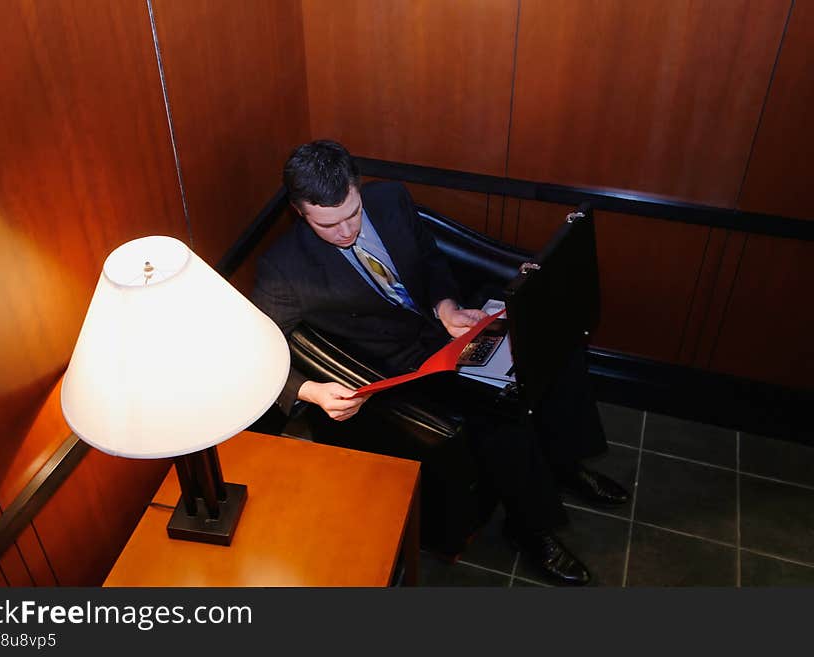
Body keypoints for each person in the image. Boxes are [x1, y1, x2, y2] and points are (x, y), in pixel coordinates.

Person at [252, 140, 629, 585]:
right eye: (328, 224)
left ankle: (566, 463)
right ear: (299, 211)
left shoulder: (389, 198)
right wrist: (308, 391)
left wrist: (446, 305)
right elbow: (259, 349)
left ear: (358, 188)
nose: (347, 229)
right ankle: (531, 531)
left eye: (353, 213)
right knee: (499, 406)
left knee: (552, 341)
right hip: (404, 366)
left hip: (446, 325)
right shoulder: (283, 269)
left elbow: (429, 257)